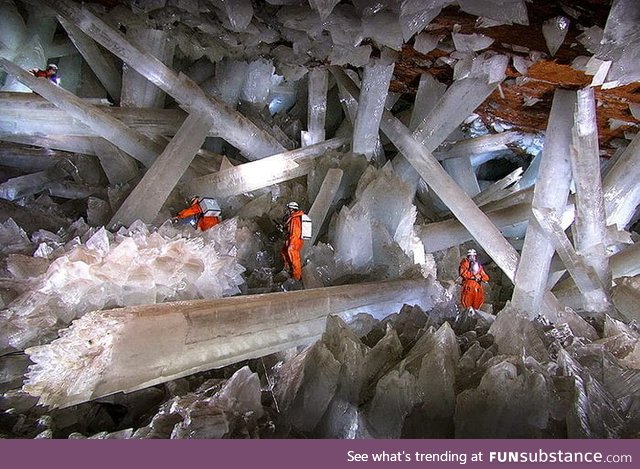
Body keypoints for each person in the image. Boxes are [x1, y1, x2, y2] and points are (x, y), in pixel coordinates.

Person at [281, 201, 305, 281]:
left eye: (288, 209)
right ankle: (288, 268)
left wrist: (292, 242)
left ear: (292, 209)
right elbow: (289, 229)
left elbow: (296, 232)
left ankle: (297, 276)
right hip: (291, 239)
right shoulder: (292, 218)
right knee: (284, 251)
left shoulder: (296, 219)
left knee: (294, 256)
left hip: (295, 240)